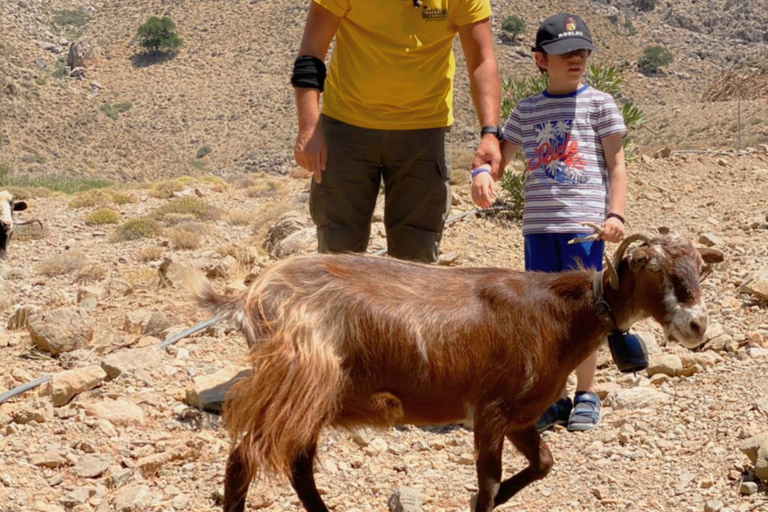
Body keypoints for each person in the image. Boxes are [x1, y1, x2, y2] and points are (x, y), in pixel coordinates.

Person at [471, 12, 628, 432]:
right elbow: (501, 156)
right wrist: (483, 173)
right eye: (564, 53)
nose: (575, 59)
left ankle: (587, 393)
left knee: (586, 310)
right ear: (541, 60)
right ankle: (553, 397)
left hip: (585, 229)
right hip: (539, 227)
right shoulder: (527, 109)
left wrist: (615, 214)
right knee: (541, 311)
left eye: (581, 51)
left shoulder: (600, 104)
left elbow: (616, 165)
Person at [292, 0, 501, 263]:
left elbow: (482, 61)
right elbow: (311, 53)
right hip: (347, 129)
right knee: (338, 254)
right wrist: (309, 128)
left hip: (423, 133)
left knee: (416, 258)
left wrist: (490, 133)